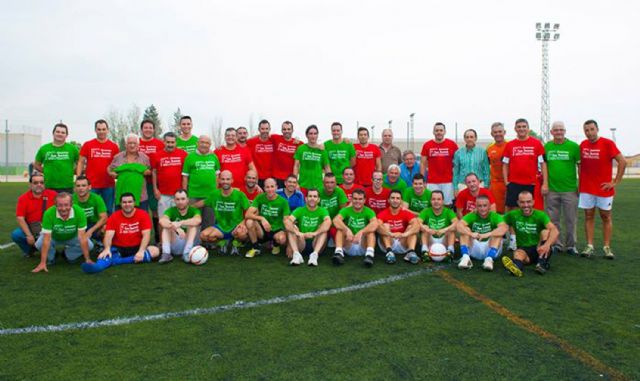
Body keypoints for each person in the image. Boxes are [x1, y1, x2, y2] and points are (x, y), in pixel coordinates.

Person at [578, 119, 626, 259]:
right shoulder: (583, 145)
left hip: (603, 189)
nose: (589, 132)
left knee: (606, 216)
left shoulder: (607, 143)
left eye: (592, 129)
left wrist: (615, 181)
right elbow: (579, 165)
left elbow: (622, 162)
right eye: (586, 130)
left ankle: (606, 247)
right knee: (588, 216)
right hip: (587, 188)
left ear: (597, 129)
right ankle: (589, 246)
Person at [81, 193, 160, 273]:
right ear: (120, 204)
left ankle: (116, 261)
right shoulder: (114, 216)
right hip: (119, 248)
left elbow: (146, 235)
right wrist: (107, 249)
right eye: (124, 202)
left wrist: (141, 250)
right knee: (105, 254)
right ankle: (97, 267)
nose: (127, 204)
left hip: (137, 247)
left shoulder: (143, 215)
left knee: (155, 251)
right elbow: (108, 236)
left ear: (134, 203)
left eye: (130, 202)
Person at [502, 118, 547, 250]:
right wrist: (506, 182)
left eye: (524, 126)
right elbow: (505, 164)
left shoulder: (536, 144)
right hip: (514, 183)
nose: (521, 129)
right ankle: (513, 239)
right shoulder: (510, 145)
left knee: (532, 212)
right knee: (514, 213)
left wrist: (545, 183)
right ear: (515, 129)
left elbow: (543, 164)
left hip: (531, 184)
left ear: (528, 128)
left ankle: (533, 240)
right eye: (519, 127)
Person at [32, 192, 94, 273]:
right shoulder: (49, 213)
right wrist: (42, 263)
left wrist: (87, 259)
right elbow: (47, 239)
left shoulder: (79, 212)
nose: (63, 208)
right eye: (60, 205)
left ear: (71, 204)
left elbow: (82, 237)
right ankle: (53, 256)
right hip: (53, 237)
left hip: (72, 236)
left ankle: (67, 254)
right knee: (39, 243)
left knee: (89, 245)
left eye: (66, 205)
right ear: (55, 205)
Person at [544, 121, 580, 256]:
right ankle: (556, 244)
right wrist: (545, 184)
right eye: (556, 130)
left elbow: (580, 166)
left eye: (561, 130)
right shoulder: (547, 147)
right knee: (553, 220)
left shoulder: (574, 147)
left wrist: (579, 184)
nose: (559, 132)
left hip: (570, 189)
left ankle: (571, 245)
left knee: (571, 219)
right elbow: (544, 166)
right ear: (551, 132)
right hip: (552, 190)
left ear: (565, 131)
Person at [502, 191, 559, 276]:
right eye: (522, 202)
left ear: (533, 202)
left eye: (528, 202)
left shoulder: (540, 215)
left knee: (545, 232)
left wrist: (547, 244)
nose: (526, 205)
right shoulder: (513, 214)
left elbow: (555, 230)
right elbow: (498, 221)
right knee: (517, 254)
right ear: (518, 203)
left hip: (540, 247)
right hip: (524, 249)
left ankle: (541, 264)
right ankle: (516, 267)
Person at [197, 170, 250, 255]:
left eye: (228, 179)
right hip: (220, 227)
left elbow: (250, 211)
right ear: (219, 180)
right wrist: (187, 206)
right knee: (203, 235)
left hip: (236, 227)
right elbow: (203, 202)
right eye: (223, 179)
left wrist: (243, 223)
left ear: (232, 180)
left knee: (242, 234)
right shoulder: (215, 194)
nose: (225, 181)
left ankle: (236, 243)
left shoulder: (239, 195)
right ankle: (222, 242)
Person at [77, 119, 119, 214]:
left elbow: (117, 165)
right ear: (95, 130)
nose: (101, 132)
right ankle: (91, 228)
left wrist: (115, 174)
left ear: (107, 130)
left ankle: (107, 228)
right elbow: (80, 162)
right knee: (90, 210)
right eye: (99, 129)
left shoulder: (114, 146)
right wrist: (79, 178)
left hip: (108, 185)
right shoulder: (88, 145)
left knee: (108, 210)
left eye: (104, 129)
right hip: (91, 185)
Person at [457, 195, 508, 271]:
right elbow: (459, 226)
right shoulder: (472, 215)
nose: (482, 208)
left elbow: (504, 228)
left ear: (489, 206)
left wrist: (488, 234)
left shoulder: (495, 216)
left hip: (490, 247)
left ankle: (489, 259)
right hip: (475, 247)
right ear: (476, 207)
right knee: (466, 229)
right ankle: (465, 258)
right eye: (479, 206)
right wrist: (471, 234)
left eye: (485, 205)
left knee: (497, 233)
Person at [12, 172, 57, 256]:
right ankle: (30, 250)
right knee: (16, 234)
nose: (39, 185)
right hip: (32, 228)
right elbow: (20, 218)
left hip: (50, 227)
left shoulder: (53, 195)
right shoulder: (23, 198)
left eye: (41, 182)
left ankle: (58, 250)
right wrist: (29, 235)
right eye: (35, 183)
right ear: (30, 185)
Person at [284, 188, 331, 266]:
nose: (312, 198)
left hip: (315, 242)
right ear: (306, 199)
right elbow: (287, 222)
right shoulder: (300, 210)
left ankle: (314, 256)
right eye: (310, 196)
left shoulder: (323, 210)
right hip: (302, 242)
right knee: (292, 227)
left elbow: (328, 222)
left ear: (318, 199)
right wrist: (298, 233)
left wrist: (315, 233)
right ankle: (296, 255)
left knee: (324, 231)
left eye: (315, 196)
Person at [245, 178, 290, 258]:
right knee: (249, 221)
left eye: (272, 186)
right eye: (267, 187)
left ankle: (275, 244)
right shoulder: (260, 197)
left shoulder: (283, 201)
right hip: (262, 229)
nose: (270, 189)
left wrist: (286, 235)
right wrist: (262, 218)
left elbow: (286, 220)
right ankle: (255, 247)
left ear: (276, 187)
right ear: (264, 188)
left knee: (282, 239)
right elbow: (248, 214)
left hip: (276, 229)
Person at [182, 135, 220, 228]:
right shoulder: (189, 157)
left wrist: (215, 191)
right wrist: (185, 195)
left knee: (209, 221)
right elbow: (185, 177)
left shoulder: (214, 157)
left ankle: (207, 241)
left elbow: (217, 175)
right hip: (194, 195)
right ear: (197, 143)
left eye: (207, 143)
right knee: (193, 222)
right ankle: (194, 241)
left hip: (210, 195)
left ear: (210, 145)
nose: (204, 145)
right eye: (202, 142)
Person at [332, 189, 378, 267]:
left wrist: (361, 232)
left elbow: (375, 223)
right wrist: (347, 230)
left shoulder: (369, 211)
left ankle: (369, 255)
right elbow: (336, 220)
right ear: (351, 199)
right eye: (355, 199)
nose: (357, 201)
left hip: (362, 244)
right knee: (341, 230)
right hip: (349, 241)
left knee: (370, 231)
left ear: (364, 200)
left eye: (360, 199)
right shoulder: (346, 210)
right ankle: (338, 253)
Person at [108, 134, 151, 210]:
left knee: (142, 219)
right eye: (130, 143)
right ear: (125, 145)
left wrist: (147, 172)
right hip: (122, 197)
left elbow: (150, 171)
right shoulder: (118, 157)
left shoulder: (144, 157)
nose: (132, 145)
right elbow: (109, 169)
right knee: (121, 220)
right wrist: (112, 174)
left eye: (134, 143)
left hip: (141, 197)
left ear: (138, 145)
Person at [158, 189, 202, 264]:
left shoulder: (194, 210)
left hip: (191, 245)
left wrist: (181, 223)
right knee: (166, 228)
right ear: (174, 200)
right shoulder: (171, 210)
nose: (180, 202)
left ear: (187, 200)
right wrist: (175, 227)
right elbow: (162, 221)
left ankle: (186, 253)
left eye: (183, 199)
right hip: (177, 242)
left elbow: (198, 220)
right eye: (177, 199)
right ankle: (166, 254)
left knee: (192, 225)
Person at [376, 190, 420, 264]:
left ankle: (411, 252)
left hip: (402, 241)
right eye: (393, 198)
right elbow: (377, 227)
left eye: (397, 198)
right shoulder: (383, 213)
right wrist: (390, 234)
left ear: (401, 201)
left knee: (411, 227)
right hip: (389, 241)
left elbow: (417, 226)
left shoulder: (406, 213)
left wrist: (404, 234)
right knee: (385, 226)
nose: (395, 200)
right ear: (388, 200)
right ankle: (389, 253)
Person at [420, 122, 458, 206]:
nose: (439, 132)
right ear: (433, 132)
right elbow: (422, 164)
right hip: (432, 181)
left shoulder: (452, 144)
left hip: (448, 181)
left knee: (447, 204)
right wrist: (422, 181)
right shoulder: (427, 145)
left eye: (441, 130)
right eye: (437, 130)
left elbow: (457, 164)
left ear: (445, 132)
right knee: (433, 204)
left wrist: (456, 180)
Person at [34, 123, 79, 193]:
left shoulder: (72, 148)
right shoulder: (44, 149)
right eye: (57, 132)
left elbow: (80, 164)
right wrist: (46, 171)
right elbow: (36, 165)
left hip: (67, 186)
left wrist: (72, 172)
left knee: (66, 204)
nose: (60, 134)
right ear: (53, 133)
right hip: (48, 186)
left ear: (66, 135)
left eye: (63, 132)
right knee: (49, 204)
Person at [138, 119, 165, 237]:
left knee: (155, 210)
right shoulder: (136, 142)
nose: (148, 130)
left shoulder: (159, 144)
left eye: (150, 127)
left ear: (154, 130)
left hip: (155, 182)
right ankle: (139, 237)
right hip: (139, 182)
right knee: (139, 210)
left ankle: (158, 238)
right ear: (141, 129)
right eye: (145, 127)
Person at [152, 132, 188, 218]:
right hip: (163, 194)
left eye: (172, 142)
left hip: (178, 194)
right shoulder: (156, 155)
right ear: (164, 142)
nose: (170, 144)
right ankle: (162, 232)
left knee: (178, 219)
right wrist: (155, 189)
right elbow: (154, 172)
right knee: (163, 219)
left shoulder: (183, 154)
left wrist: (184, 191)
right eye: (168, 142)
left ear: (176, 143)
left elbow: (186, 173)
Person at [417, 191, 458, 260]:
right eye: (433, 199)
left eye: (439, 199)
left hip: (444, 239)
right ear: (430, 201)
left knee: (451, 230)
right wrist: (427, 229)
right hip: (430, 239)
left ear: (442, 201)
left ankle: (450, 252)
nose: (436, 201)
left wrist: (445, 229)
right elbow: (417, 223)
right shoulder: (426, 211)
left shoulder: (448, 211)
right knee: (424, 229)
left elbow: (457, 223)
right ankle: (424, 252)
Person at [293, 125, 330, 194]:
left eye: (315, 133)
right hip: (303, 186)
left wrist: (330, 182)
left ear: (317, 135)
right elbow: (296, 166)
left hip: (318, 187)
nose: (313, 136)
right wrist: (295, 182)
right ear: (307, 135)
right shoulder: (301, 148)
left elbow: (327, 168)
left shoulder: (322, 150)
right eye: (310, 133)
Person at [452, 128, 489, 194]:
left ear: (475, 138)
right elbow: (456, 172)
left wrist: (486, 185)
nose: (469, 139)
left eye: (471, 137)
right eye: (467, 137)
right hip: (463, 185)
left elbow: (486, 170)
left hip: (479, 185)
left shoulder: (482, 152)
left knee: (479, 204)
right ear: (464, 139)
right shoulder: (458, 153)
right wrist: (455, 188)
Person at [72, 176, 108, 243]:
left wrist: (90, 231)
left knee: (106, 227)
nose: (81, 188)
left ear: (89, 187)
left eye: (83, 185)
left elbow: (104, 218)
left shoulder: (96, 198)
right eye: (78, 186)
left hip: (94, 225)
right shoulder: (71, 200)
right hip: (77, 226)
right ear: (75, 188)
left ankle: (103, 247)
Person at [272, 121, 302, 188]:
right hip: (277, 177)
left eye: (289, 129)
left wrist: (319, 146)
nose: (286, 131)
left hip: (290, 179)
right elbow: (263, 135)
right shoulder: (276, 138)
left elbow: (309, 146)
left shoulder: (298, 143)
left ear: (292, 130)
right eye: (284, 129)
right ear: (281, 130)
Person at [487, 122, 508, 213]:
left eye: (500, 131)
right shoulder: (489, 148)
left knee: (509, 206)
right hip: (495, 183)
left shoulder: (510, 145)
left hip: (508, 182)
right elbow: (487, 165)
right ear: (492, 134)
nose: (498, 134)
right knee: (496, 208)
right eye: (495, 132)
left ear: (504, 132)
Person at [247, 119, 274, 188]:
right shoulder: (251, 142)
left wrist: (296, 139)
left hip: (271, 177)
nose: (265, 131)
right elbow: (239, 143)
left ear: (270, 129)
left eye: (266, 129)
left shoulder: (274, 141)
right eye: (262, 129)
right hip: (257, 178)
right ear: (259, 129)